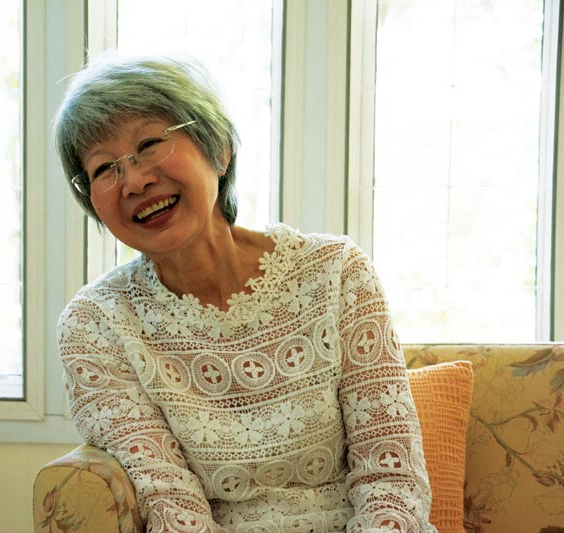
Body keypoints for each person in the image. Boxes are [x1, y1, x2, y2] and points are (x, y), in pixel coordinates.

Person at [54, 54, 436, 533]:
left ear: (219, 149)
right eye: (104, 168)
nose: (133, 181)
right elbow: (171, 507)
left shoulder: (337, 271)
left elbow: (392, 478)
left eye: (148, 144)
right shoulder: (96, 325)